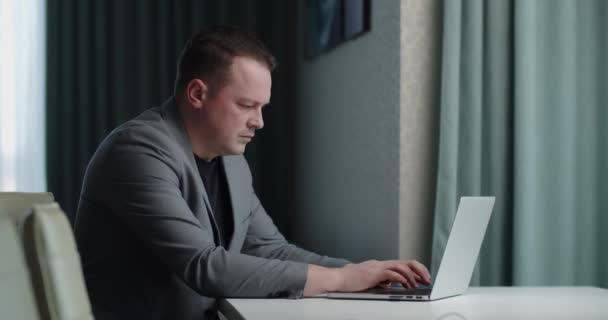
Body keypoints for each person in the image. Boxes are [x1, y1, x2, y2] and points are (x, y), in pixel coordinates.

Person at [74, 26, 431, 320]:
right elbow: (204, 266)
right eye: (246, 105)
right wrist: (339, 279)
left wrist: (366, 273)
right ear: (197, 93)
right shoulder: (137, 150)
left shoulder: (231, 160)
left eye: (262, 107)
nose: (258, 122)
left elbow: (270, 249)